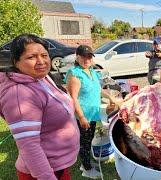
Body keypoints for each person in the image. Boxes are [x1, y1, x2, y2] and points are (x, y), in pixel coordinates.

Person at [0, 34, 80, 180]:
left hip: (57, 166)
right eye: (31, 57)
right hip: (42, 172)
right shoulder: (19, 94)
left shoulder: (42, 77)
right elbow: (29, 146)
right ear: (15, 61)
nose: (41, 61)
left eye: (44, 55)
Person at [65, 45, 104, 179]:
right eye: (83, 56)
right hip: (84, 115)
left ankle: (86, 162)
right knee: (85, 143)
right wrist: (81, 117)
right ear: (77, 57)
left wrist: (112, 99)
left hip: (92, 114)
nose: (86, 59)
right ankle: (87, 169)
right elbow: (73, 97)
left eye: (89, 56)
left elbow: (99, 90)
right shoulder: (75, 74)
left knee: (89, 140)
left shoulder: (92, 71)